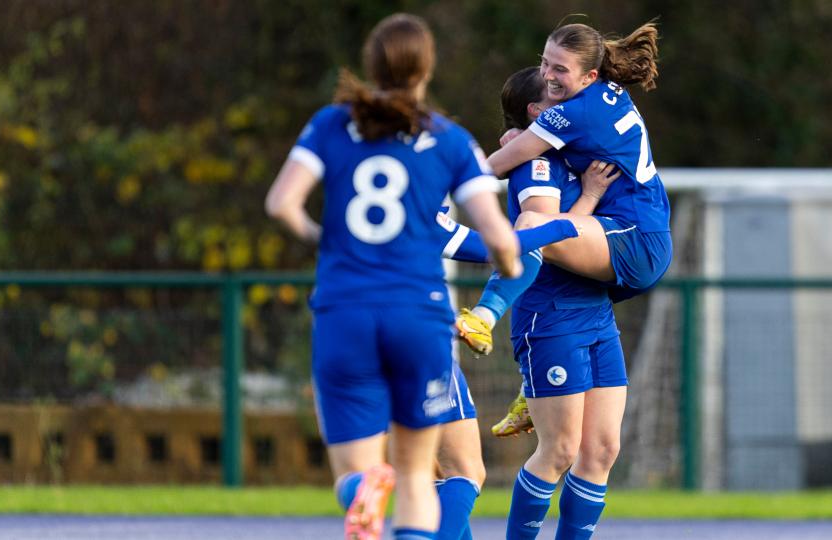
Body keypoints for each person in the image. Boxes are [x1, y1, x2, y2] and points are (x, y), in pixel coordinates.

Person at [264, 13, 520, 540]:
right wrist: (513, 267)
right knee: (418, 478)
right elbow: (497, 235)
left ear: (369, 65)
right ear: (425, 71)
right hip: (418, 315)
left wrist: (323, 237)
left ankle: (363, 491)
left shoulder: (331, 125)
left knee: (356, 473)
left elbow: (281, 203)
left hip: (345, 310)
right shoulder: (449, 140)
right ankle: (390, 495)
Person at [475, 20, 672, 539]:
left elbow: (561, 225)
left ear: (588, 75)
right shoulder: (539, 165)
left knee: (601, 450)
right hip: (557, 314)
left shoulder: (567, 136)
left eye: (558, 69)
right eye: (545, 72)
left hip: (608, 281)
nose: (550, 76)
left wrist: (583, 193)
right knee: (568, 450)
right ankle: (485, 314)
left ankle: (511, 356)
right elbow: (520, 194)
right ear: (539, 115)